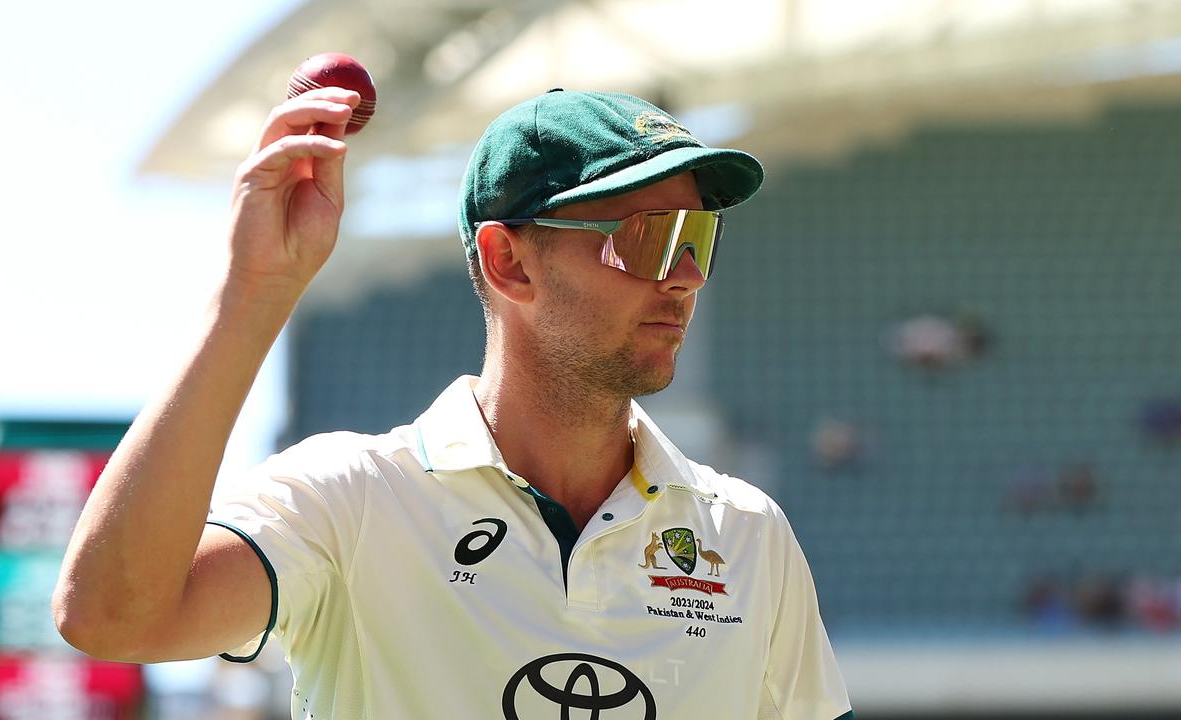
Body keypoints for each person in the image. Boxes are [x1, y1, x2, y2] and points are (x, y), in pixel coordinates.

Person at [53, 85, 854, 720]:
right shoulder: (349, 499)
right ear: (509, 263)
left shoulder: (749, 535)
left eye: (697, 238)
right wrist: (254, 293)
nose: (684, 276)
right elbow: (111, 618)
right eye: (646, 237)